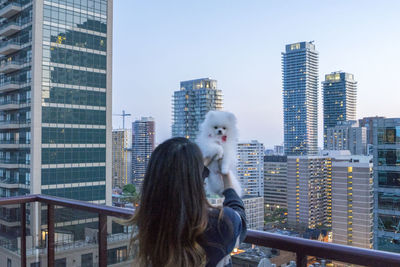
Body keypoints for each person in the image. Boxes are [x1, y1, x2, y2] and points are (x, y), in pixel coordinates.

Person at [127, 137, 247, 267]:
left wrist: (197, 168)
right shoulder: (220, 224)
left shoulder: (148, 219)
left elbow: (177, 186)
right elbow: (239, 215)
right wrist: (226, 175)